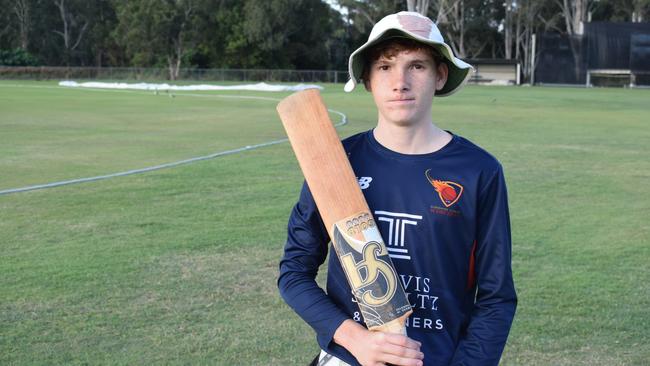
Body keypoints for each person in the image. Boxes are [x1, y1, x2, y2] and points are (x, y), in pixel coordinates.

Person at [278, 11, 517, 366]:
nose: (400, 81)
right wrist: (355, 339)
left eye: (416, 66)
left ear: (440, 75)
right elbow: (294, 272)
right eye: (385, 67)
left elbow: (496, 298)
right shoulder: (334, 161)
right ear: (368, 80)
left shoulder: (479, 171)